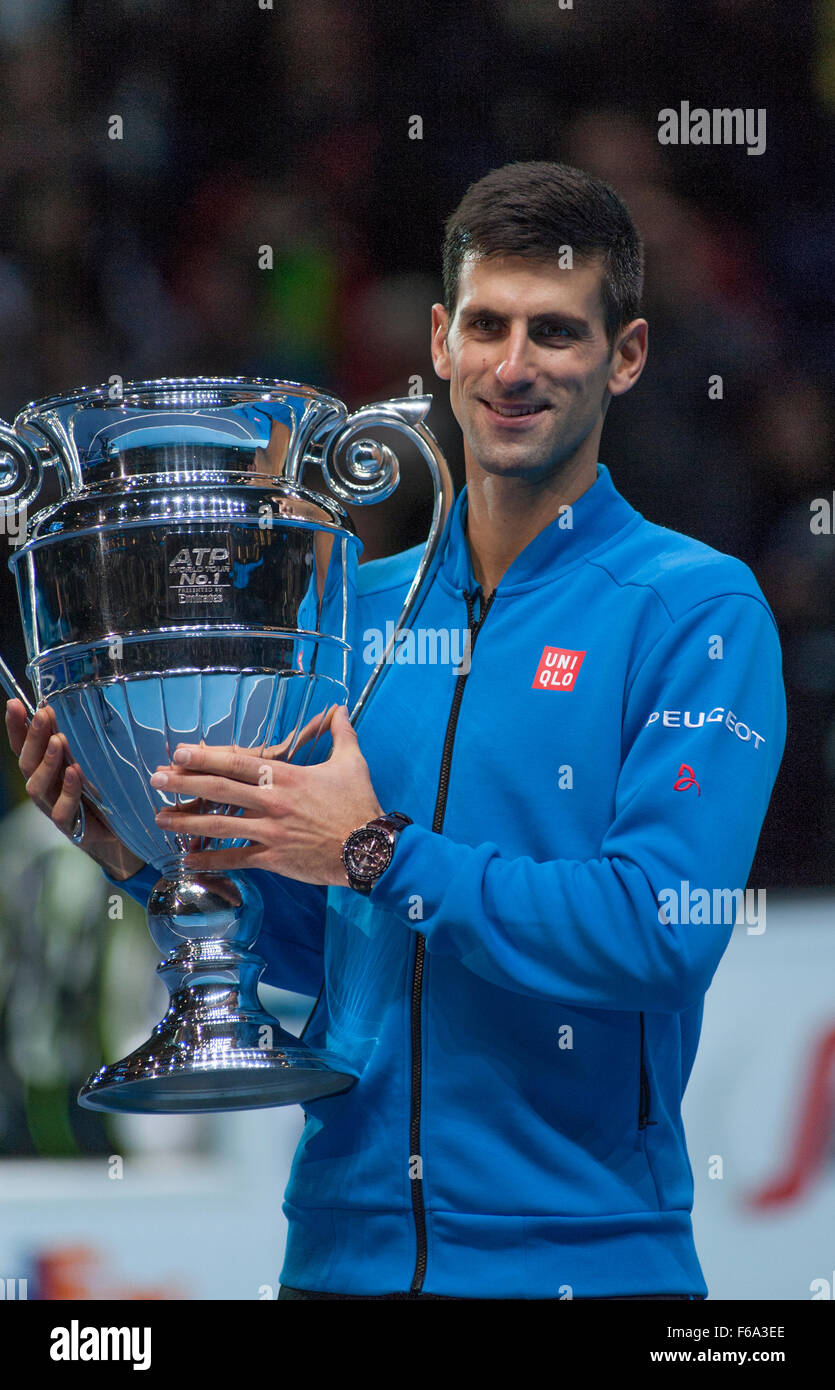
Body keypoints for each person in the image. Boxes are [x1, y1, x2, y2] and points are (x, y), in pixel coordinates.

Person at [6, 161, 786, 1300]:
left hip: (584, 1267)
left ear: (625, 355)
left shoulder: (695, 608)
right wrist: (147, 854)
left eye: (557, 333)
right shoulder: (342, 612)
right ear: (437, 339)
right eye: (487, 325)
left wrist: (377, 850)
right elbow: (333, 962)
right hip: (335, 1259)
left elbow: (660, 930)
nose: (513, 367)